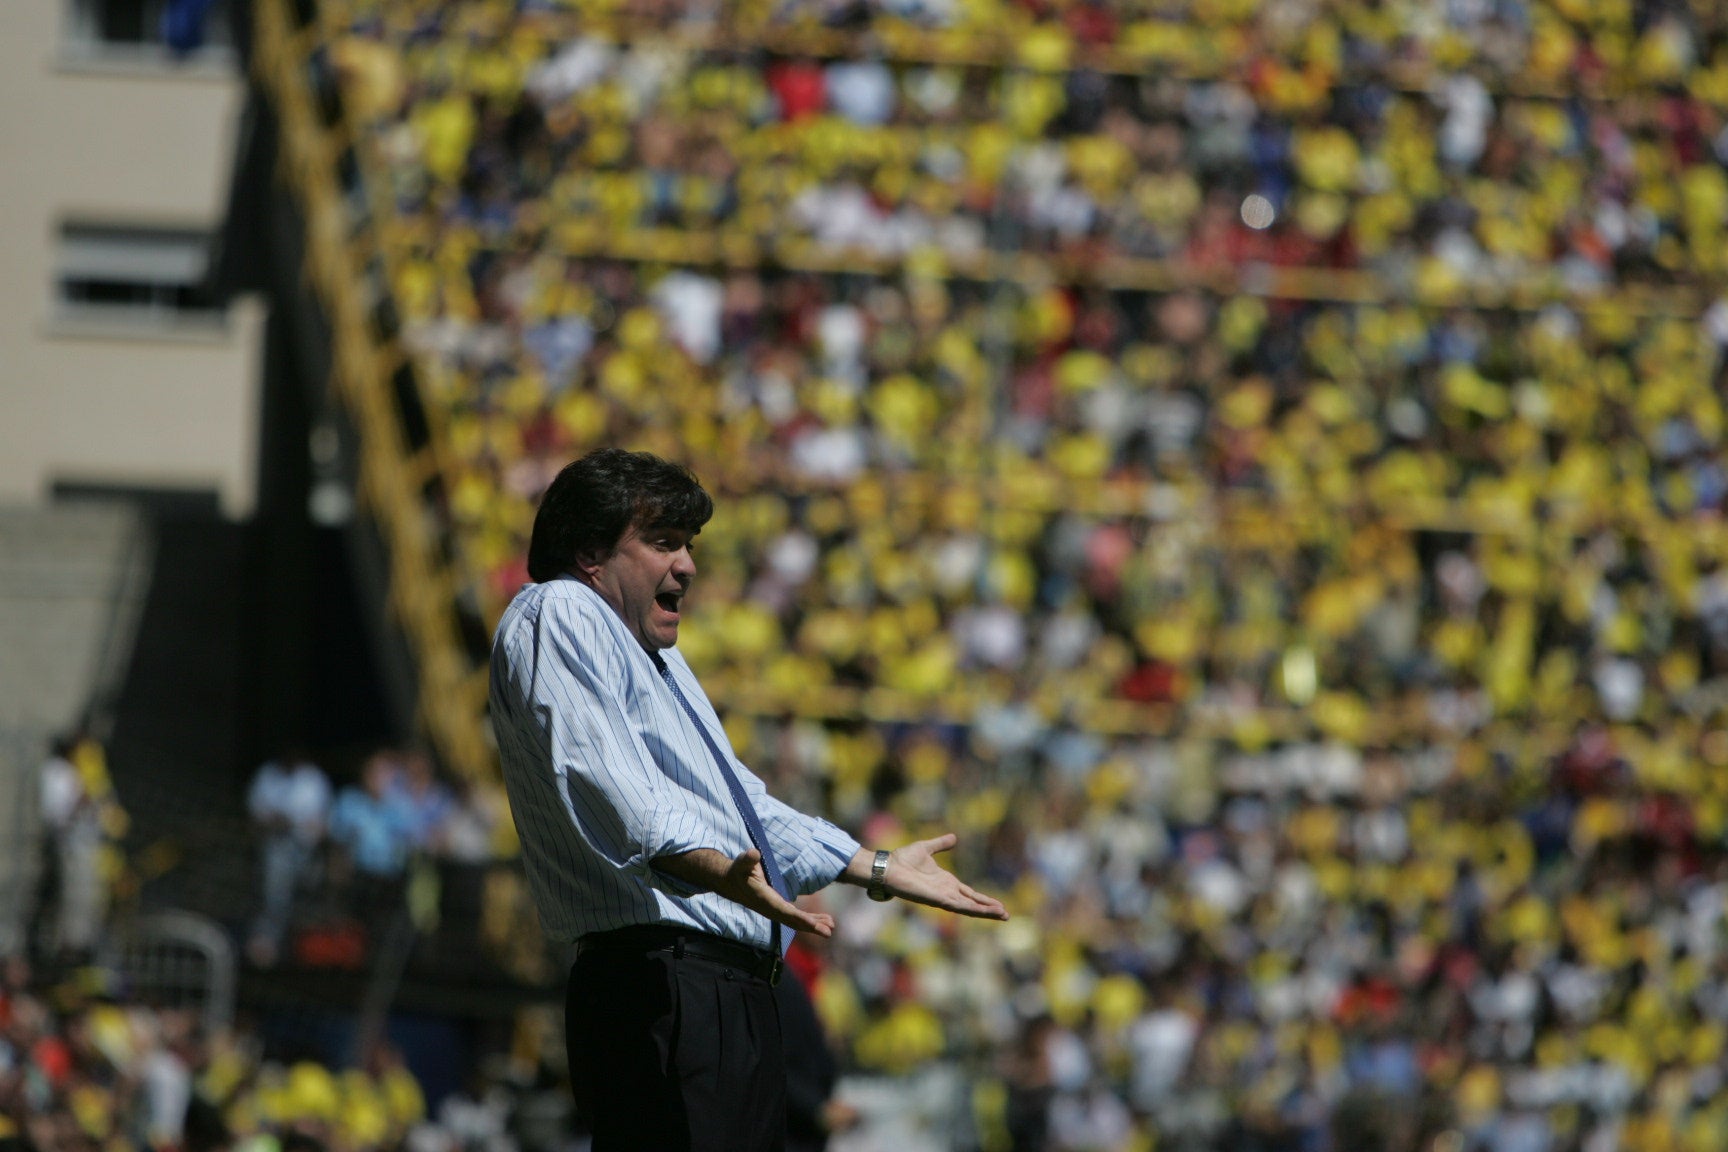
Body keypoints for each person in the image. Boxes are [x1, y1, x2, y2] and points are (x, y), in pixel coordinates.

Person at [489, 448, 1008, 1151]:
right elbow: (612, 791)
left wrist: (875, 867)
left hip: (715, 990)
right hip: (662, 983)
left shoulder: (654, 654)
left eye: (689, 545)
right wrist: (717, 867)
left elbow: (745, 810)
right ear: (589, 552)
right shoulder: (561, 609)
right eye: (663, 542)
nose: (688, 566)